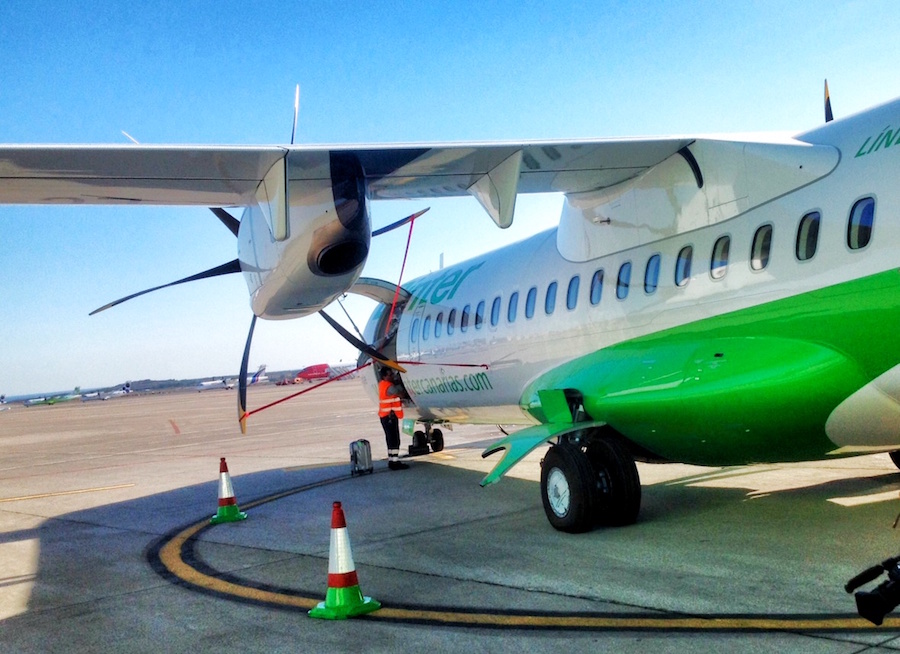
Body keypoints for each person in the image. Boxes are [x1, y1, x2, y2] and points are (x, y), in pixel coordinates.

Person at [378, 367, 408, 470]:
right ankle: (394, 462)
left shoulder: (382, 384)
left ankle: (392, 460)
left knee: (390, 439)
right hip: (390, 417)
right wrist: (400, 381)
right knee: (394, 440)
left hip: (385, 416)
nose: (392, 377)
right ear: (384, 376)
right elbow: (401, 393)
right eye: (390, 375)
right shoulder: (389, 387)